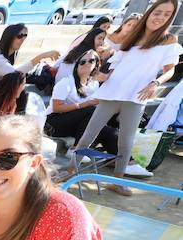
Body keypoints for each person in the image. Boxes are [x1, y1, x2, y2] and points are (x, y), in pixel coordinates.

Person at [72, 0, 181, 195]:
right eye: (158, 12)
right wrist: (102, 75)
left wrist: (155, 83)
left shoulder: (169, 40)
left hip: (137, 95)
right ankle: (72, 170)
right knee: (89, 133)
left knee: (126, 140)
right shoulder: (132, 37)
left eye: (167, 14)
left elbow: (170, 71)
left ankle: (118, 180)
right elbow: (116, 64)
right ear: (150, 12)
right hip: (113, 91)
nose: (161, 17)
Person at [0, 23, 60, 113]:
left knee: (18, 82)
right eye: (20, 35)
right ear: (9, 37)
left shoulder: (4, 58)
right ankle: (20, 115)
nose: (23, 39)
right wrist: (42, 56)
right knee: (17, 82)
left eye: (25, 36)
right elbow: (15, 75)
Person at [46, 50, 119, 156]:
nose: (86, 64)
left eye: (91, 61)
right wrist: (86, 104)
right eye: (82, 62)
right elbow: (56, 108)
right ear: (77, 65)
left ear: (96, 65)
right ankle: (75, 149)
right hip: (54, 123)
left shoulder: (94, 84)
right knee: (92, 110)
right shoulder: (66, 82)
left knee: (109, 131)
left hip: (78, 124)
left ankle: (125, 161)